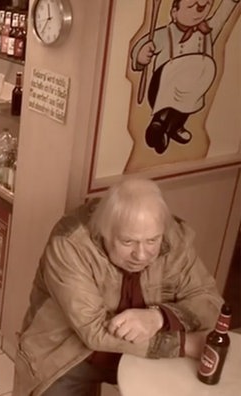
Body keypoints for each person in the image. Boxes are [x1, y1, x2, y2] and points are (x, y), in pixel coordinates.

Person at [13, 177, 224, 396]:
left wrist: (158, 317)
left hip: (144, 354)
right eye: (127, 242)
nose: (141, 255)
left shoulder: (174, 237)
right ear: (103, 232)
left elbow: (209, 301)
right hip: (68, 357)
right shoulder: (70, 244)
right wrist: (183, 344)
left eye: (152, 241)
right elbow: (93, 331)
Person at [130, 0, 239, 154]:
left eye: (204, 6)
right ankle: (160, 121)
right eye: (190, 7)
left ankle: (170, 129)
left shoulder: (207, 31)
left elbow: (223, 13)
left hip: (192, 89)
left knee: (190, 94)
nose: (198, 11)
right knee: (182, 81)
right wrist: (141, 56)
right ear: (174, 12)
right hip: (163, 88)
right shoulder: (166, 33)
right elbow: (142, 47)